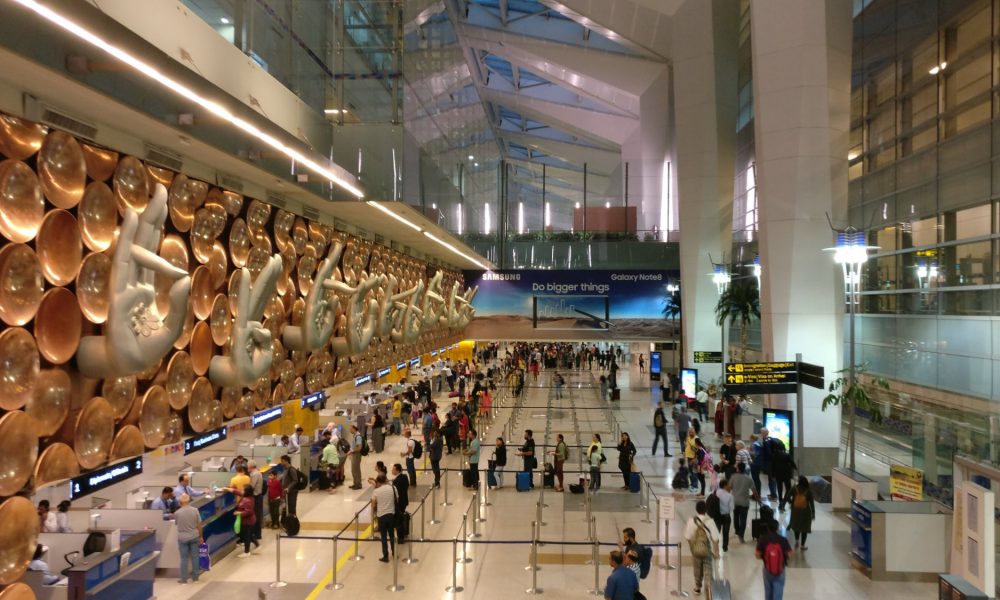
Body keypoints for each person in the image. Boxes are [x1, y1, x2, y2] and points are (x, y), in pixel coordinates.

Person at [684, 500, 721, 597]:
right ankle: (708, 588)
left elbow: (688, 537)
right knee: (708, 568)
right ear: (706, 510)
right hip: (707, 550)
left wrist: (692, 548)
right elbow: (715, 539)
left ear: (696, 509)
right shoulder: (710, 521)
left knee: (697, 568)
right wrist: (716, 552)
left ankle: (697, 588)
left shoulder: (691, 520)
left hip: (696, 549)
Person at [755, 520, 792, 599]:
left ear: (767, 528)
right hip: (780, 570)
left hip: (767, 570)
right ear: (777, 528)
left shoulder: (763, 539)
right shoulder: (783, 540)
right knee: (778, 593)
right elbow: (790, 555)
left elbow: (757, 555)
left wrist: (764, 557)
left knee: (768, 591)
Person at [174, 493, 203, 584]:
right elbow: (199, 525)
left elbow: (176, 524)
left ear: (180, 502)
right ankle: (195, 578)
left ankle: (184, 579)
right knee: (195, 557)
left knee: (184, 558)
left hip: (182, 538)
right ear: (189, 500)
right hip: (194, 536)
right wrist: (201, 537)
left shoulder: (177, 513)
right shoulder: (195, 510)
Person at [371, 474, 397, 562]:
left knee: (384, 537)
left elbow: (373, 505)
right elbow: (397, 498)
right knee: (392, 535)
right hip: (391, 515)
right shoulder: (392, 488)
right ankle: (394, 553)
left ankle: (385, 556)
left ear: (378, 482)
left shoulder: (376, 491)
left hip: (381, 516)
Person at [730, 463, 758, 543]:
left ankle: (737, 531)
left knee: (736, 516)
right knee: (743, 519)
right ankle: (741, 536)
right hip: (745, 502)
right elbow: (754, 491)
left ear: (738, 468)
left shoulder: (733, 477)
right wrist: (758, 499)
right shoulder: (749, 479)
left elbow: (729, 488)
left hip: (735, 501)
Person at [788, 475, 815, 550]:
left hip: (795, 511)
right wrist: (813, 513)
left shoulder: (794, 489)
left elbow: (787, 497)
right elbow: (811, 503)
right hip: (806, 512)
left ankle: (797, 540)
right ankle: (802, 545)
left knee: (796, 526)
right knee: (804, 528)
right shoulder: (808, 491)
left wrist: (791, 503)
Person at [234, 484, 258, 557]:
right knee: (249, 535)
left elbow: (248, 512)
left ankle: (246, 552)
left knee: (246, 537)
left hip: (248, 521)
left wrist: (239, 513)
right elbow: (239, 492)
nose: (241, 491)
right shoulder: (249, 497)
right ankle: (257, 545)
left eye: (243, 490)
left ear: (246, 492)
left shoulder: (247, 500)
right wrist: (230, 489)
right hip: (249, 521)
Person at [772, 444, 797, 512]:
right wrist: (796, 468)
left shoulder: (774, 456)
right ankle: (785, 501)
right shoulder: (787, 455)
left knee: (779, 488)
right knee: (788, 489)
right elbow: (792, 463)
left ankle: (780, 501)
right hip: (786, 474)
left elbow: (772, 466)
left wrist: (772, 475)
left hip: (778, 474)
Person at [714, 478, 734, 552]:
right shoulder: (729, 496)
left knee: (717, 531)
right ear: (725, 486)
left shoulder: (717, 492)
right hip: (726, 516)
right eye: (728, 484)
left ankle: (715, 546)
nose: (729, 486)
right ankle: (725, 547)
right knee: (726, 532)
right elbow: (731, 508)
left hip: (717, 515)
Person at [391, 464, 409, 543]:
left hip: (399, 503)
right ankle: (403, 534)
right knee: (400, 518)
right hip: (404, 501)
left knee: (398, 520)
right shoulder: (405, 477)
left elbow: (394, 493)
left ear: (397, 470)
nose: (392, 470)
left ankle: (400, 538)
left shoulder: (396, 481)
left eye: (393, 469)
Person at [247, 461, 264, 542]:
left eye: (248, 467)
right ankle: (257, 533)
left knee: (256, 516)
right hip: (258, 497)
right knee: (258, 515)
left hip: (256, 497)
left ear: (251, 467)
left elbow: (251, 486)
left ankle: (256, 534)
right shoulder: (258, 473)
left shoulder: (254, 474)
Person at [349, 424, 364, 490]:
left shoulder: (358, 436)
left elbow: (359, 447)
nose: (350, 430)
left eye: (350, 429)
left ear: (354, 429)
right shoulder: (355, 436)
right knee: (353, 470)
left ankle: (358, 485)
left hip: (356, 455)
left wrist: (351, 451)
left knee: (356, 470)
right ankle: (355, 483)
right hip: (354, 454)